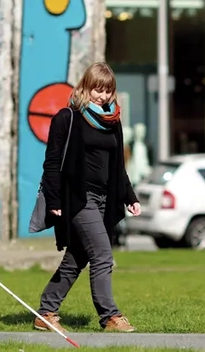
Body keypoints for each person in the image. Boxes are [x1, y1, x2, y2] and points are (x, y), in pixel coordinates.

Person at [34, 62, 141, 333]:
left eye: (108, 91)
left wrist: (130, 196)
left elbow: (118, 165)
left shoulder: (112, 121)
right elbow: (52, 162)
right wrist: (55, 201)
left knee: (76, 259)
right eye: (97, 89)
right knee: (103, 255)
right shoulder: (67, 118)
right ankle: (110, 316)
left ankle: (46, 312)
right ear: (85, 87)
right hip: (79, 199)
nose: (102, 96)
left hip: (106, 199)